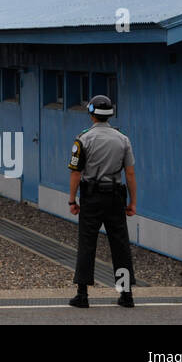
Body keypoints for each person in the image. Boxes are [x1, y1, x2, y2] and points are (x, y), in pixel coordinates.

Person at [67, 94, 137, 308]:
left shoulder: (83, 139)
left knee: (87, 243)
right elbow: (130, 173)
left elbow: (76, 174)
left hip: (92, 196)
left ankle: (82, 295)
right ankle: (126, 294)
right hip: (116, 196)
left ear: (91, 114)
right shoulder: (123, 139)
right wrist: (132, 202)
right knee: (120, 245)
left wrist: (72, 200)